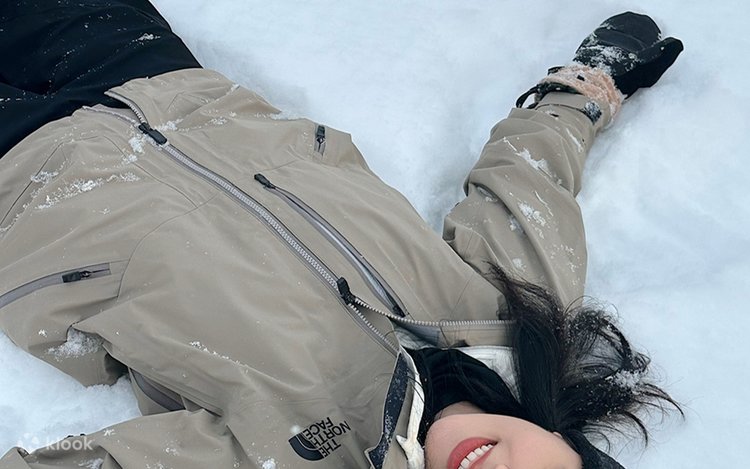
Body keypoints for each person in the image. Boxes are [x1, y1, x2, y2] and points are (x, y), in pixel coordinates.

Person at [0, 1, 684, 468]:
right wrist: (585, 91)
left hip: (28, 184)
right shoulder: (516, 318)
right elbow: (528, 185)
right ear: (573, 449)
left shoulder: (300, 452)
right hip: (164, 84)